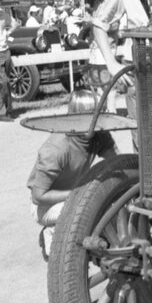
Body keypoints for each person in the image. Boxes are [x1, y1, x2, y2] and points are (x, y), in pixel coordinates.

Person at [27, 90, 118, 259]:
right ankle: (51, 232)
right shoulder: (56, 149)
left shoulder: (98, 134)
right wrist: (76, 194)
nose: (95, 123)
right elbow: (38, 196)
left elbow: (116, 161)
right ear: (75, 118)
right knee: (88, 208)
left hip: (73, 191)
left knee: (103, 204)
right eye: (91, 117)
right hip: (45, 206)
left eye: (97, 117)